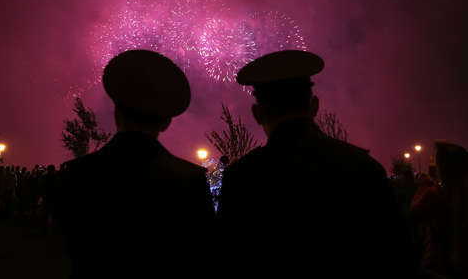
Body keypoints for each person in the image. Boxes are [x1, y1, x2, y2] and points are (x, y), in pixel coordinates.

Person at [216, 50, 417, 278]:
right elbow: (400, 257)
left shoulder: (242, 177)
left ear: (257, 113)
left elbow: (227, 262)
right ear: (314, 106)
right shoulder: (364, 166)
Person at [58, 49, 215, 277]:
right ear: (166, 123)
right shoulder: (189, 181)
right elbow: (202, 257)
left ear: (116, 115)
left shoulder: (75, 173)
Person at [409, 142, 468, 278]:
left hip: (438, 267)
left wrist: (429, 179)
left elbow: (413, 212)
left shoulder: (435, 194)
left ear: (441, 166)